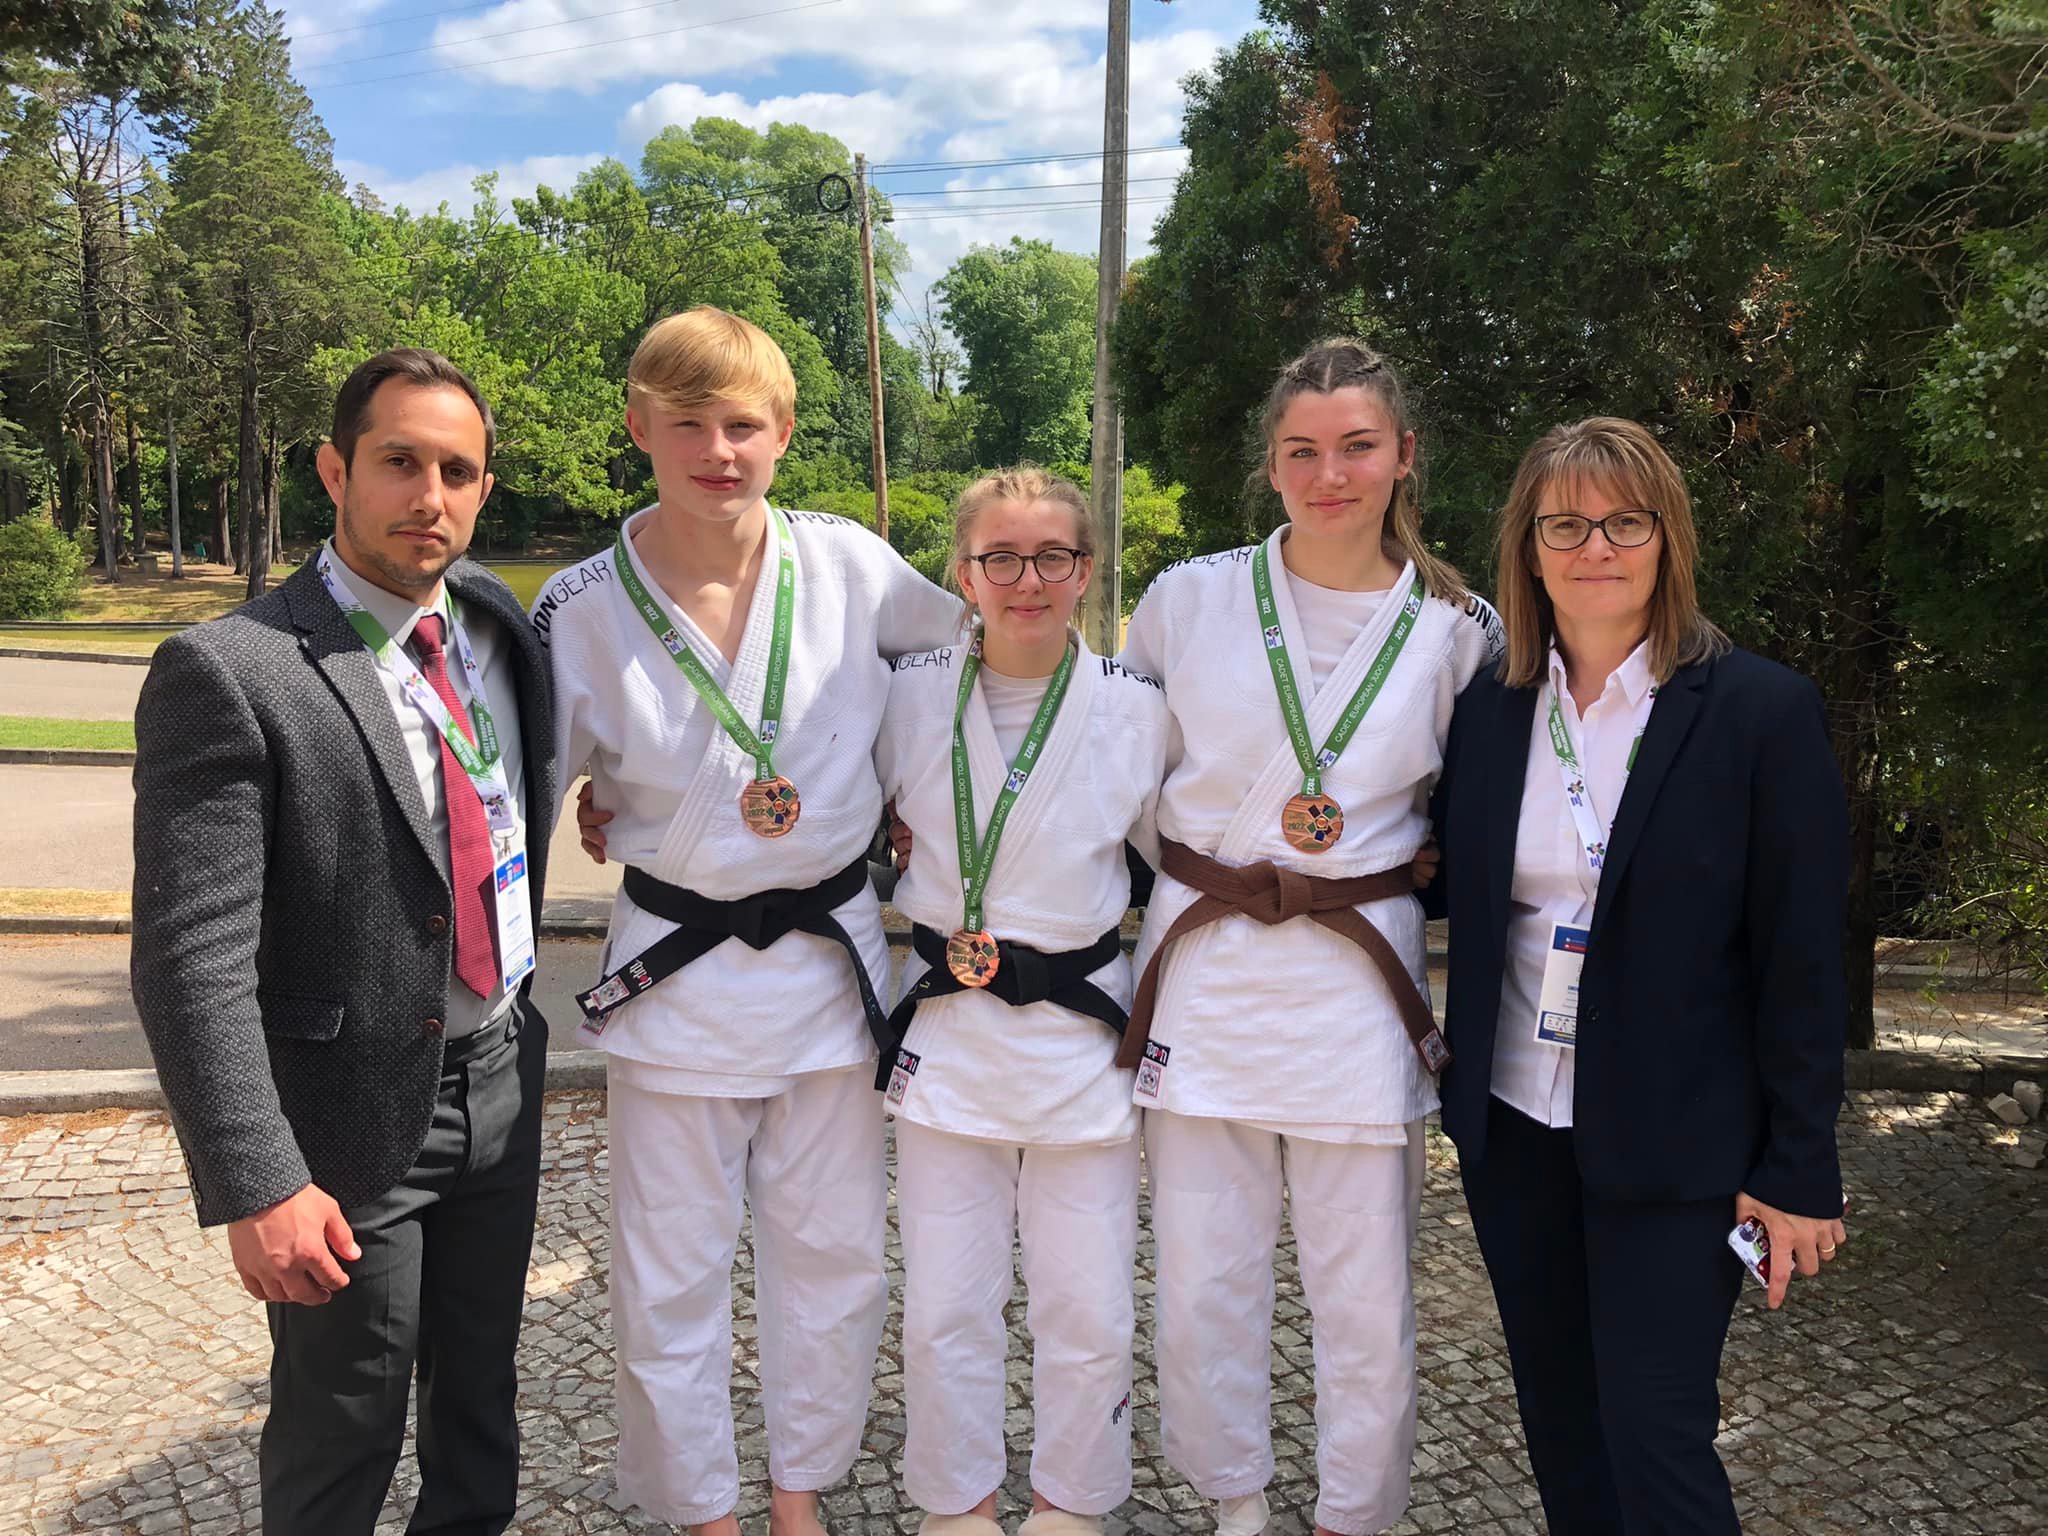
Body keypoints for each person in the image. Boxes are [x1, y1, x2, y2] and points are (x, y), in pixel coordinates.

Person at [536, 305, 962, 1536]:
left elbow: (966, 676)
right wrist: (596, 803)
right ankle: (703, 1510)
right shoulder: (579, 606)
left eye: (742, 425)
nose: (717, 450)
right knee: (670, 1274)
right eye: (687, 424)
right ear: (639, 429)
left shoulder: (847, 564)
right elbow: (512, 787)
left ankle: (796, 1492)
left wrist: (913, 802)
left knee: (831, 1260)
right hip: (674, 983)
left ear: (780, 433)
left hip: (830, 980)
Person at [130, 348, 557, 1534]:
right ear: (335, 469)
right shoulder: (232, 670)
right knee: (343, 1424)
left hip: (502, 1080)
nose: (431, 496)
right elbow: (187, 956)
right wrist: (257, 1178)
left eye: (457, 471)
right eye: (399, 463)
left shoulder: (491, 623)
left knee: (481, 1405)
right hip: (346, 1125)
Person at [1428, 417, 1849, 1534]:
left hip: (1680, 1139)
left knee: (1654, 1428)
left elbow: (1800, 954)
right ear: (1526, 546)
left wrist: (1799, 1164)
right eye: (1563, 523)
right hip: (1514, 1122)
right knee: (1559, 1419)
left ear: (1666, 539)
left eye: (1624, 520)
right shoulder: (1487, 713)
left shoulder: (1759, 712)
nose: (1594, 546)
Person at [1114, 338, 1501, 1536]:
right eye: (1301, 451)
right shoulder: (1188, 597)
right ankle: (1234, 1500)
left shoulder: (1458, 627)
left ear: (1402, 457)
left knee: (1364, 1289)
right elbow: (1112, 766)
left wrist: (1407, 875)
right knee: (1201, 1282)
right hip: (1206, 965)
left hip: (1353, 985)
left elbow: (1478, 811)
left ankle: (1351, 1516)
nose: (1328, 474)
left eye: (1355, 448)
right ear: (1269, 467)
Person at [873, 467, 1170, 1536]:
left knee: (1085, 1307)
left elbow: (1191, 856)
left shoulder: (1139, 712)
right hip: (949, 1037)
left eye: (1051, 557)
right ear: (964, 573)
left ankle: (1070, 1503)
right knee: (947, 1305)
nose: (1026, 579)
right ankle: (955, 1502)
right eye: (1000, 557)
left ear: (1084, 572)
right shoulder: (903, 698)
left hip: (1078, 1039)